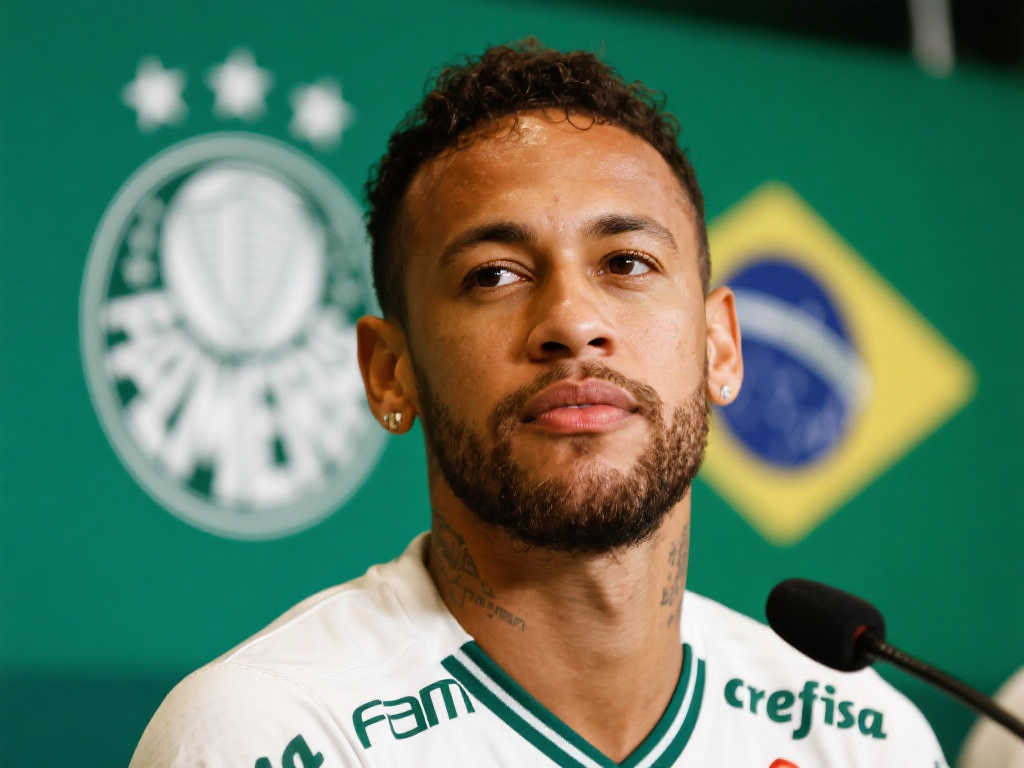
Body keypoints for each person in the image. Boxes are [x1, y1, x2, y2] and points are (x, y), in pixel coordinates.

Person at [130, 40, 949, 767]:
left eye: (626, 262)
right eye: (493, 275)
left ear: (721, 349)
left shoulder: (863, 738)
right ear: (389, 372)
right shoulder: (267, 735)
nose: (572, 322)